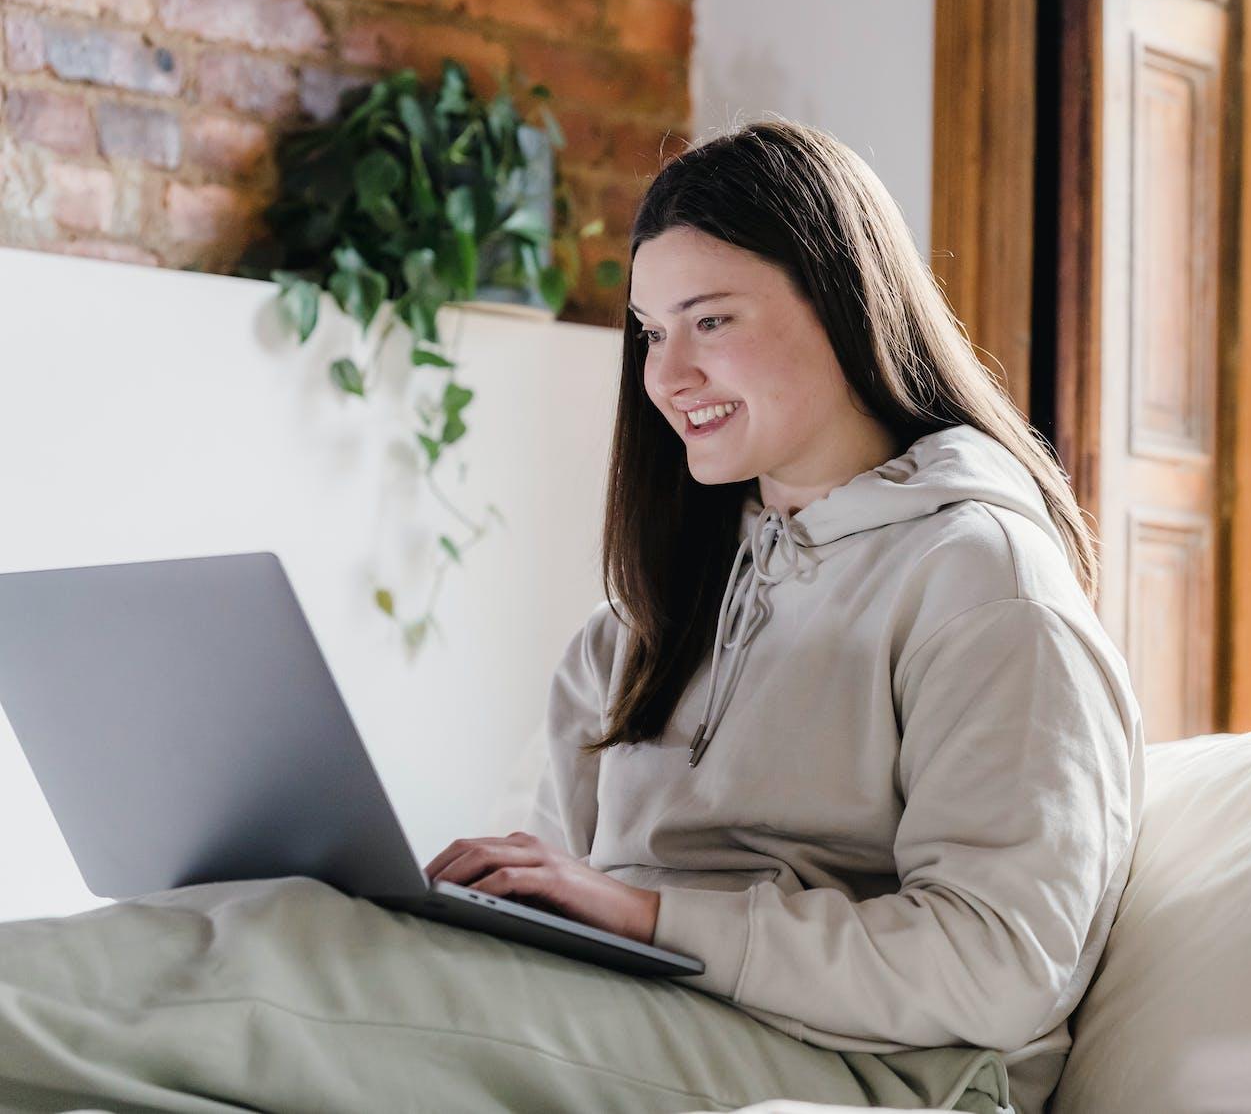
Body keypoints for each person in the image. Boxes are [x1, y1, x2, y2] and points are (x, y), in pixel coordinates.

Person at [0, 118, 1145, 1114]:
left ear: (845, 303)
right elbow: (546, 871)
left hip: (874, 1066)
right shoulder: (646, 615)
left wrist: (646, 914)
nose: (666, 372)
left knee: (286, 955)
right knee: (216, 997)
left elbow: (1002, 961)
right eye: (650, 331)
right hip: (648, 1011)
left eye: (710, 319)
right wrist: (497, 902)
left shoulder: (980, 577)